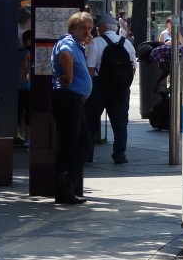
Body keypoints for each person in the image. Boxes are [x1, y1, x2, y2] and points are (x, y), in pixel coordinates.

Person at [51, 11, 93, 205]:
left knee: (77, 143)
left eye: (90, 28)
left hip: (73, 99)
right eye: (83, 27)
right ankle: (66, 180)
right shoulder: (67, 42)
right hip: (68, 98)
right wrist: (68, 76)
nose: (87, 31)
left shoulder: (76, 43)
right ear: (73, 28)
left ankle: (64, 188)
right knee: (75, 143)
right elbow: (65, 55)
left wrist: (85, 44)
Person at [86, 13, 137, 166]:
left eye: (97, 27)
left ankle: (88, 154)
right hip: (121, 89)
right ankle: (119, 154)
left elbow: (91, 68)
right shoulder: (127, 44)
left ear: (102, 27)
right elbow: (133, 68)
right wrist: (124, 84)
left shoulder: (96, 42)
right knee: (120, 123)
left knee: (91, 121)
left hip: (99, 87)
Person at [15, 29, 32, 147]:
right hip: (29, 87)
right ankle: (27, 139)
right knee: (29, 114)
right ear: (30, 41)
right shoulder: (32, 53)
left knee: (18, 112)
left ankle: (17, 135)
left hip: (18, 86)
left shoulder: (18, 53)